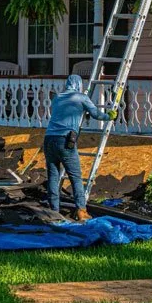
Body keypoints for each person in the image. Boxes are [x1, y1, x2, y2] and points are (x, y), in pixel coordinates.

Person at [43, 73, 114, 220]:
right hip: (65, 139)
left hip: (49, 138)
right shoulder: (81, 98)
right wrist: (109, 116)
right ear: (79, 85)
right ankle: (81, 211)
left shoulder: (57, 98)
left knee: (53, 176)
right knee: (75, 176)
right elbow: (96, 114)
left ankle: (54, 210)